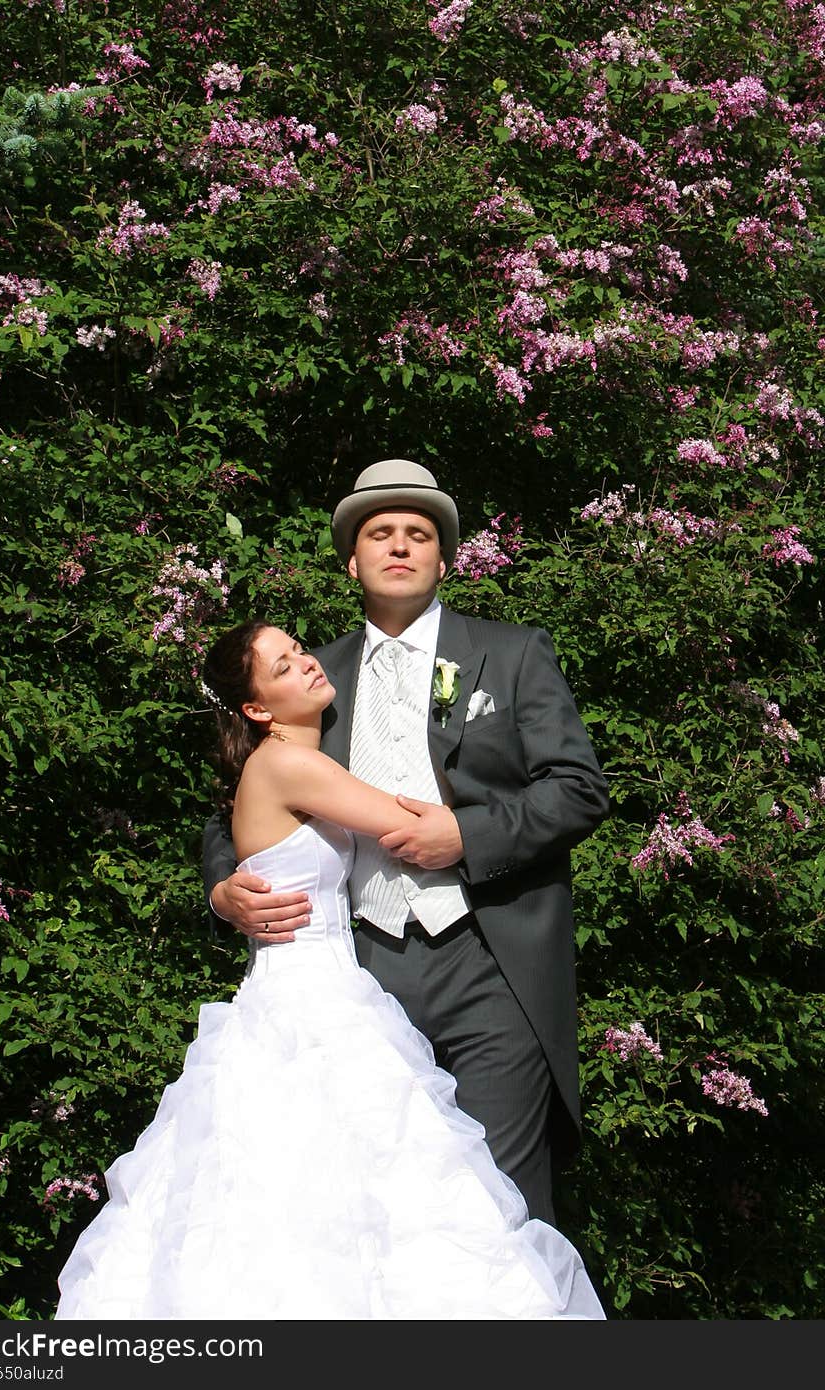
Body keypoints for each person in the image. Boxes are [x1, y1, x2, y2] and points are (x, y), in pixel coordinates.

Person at [55, 619, 605, 1319]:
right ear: (256, 708)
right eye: (281, 667)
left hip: (324, 990)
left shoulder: (292, 751)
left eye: (297, 651)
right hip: (312, 1005)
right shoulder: (289, 762)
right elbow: (403, 817)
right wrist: (223, 890)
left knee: (337, 1209)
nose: (305, 664)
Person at [205, 460, 610, 1226]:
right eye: (380, 534)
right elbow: (239, 797)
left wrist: (467, 833)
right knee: (377, 1219)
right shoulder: (317, 675)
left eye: (418, 534)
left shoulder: (513, 653)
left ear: (444, 558)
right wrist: (225, 887)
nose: (400, 546)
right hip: (361, 972)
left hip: (492, 964)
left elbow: (579, 789)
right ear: (352, 560)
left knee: (501, 1215)